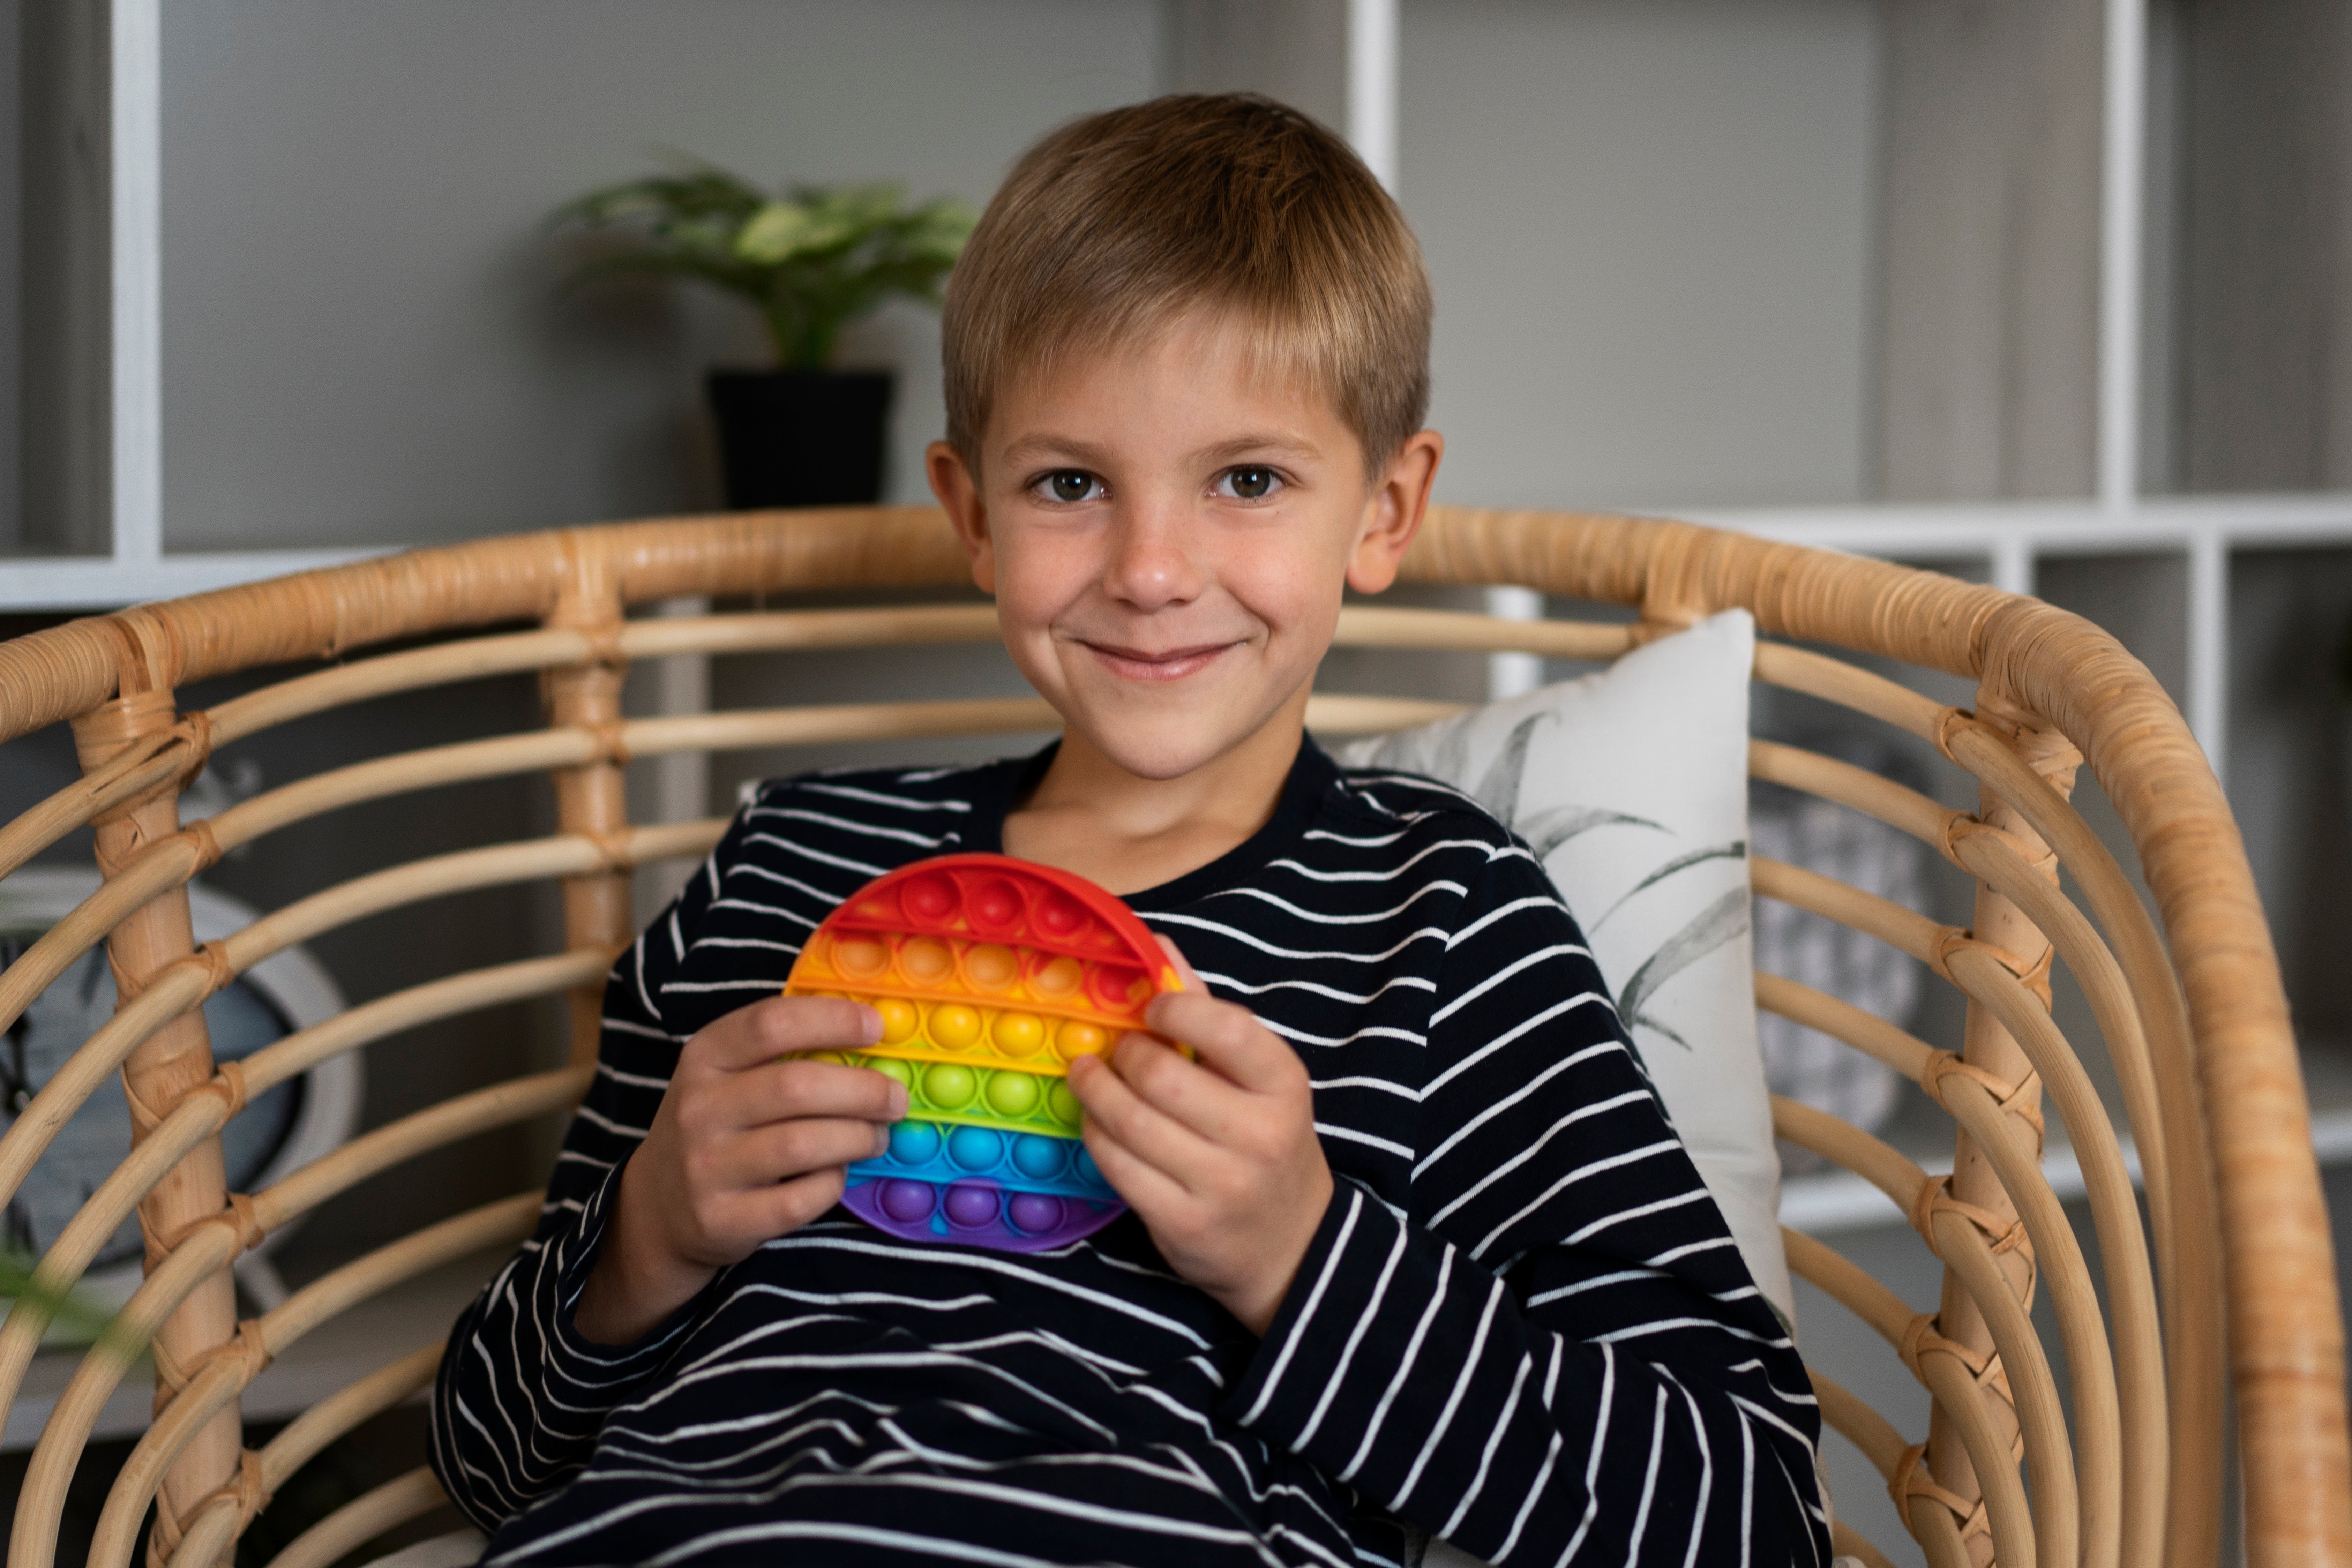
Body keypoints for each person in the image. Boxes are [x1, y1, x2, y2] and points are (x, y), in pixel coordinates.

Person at [432, 94, 1827, 1567]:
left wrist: (1304, 1249)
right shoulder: (782, 871)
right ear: (972, 516)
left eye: (1248, 479)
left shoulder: (1444, 918)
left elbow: (1745, 1517)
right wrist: (644, 1242)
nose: (1153, 570)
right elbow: (485, 1452)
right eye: (1071, 483)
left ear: (1386, 508)